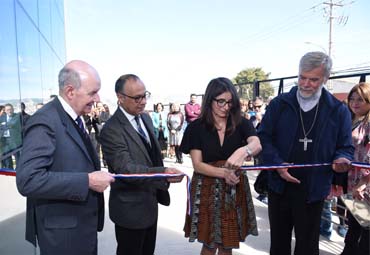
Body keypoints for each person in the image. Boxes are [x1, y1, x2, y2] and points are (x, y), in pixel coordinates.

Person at [258, 51, 354, 255]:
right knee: (279, 245)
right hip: (279, 187)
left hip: (314, 190)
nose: (306, 84)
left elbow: (345, 147)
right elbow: (263, 138)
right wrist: (276, 164)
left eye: (313, 79)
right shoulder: (279, 104)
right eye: (302, 77)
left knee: (308, 246)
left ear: (325, 78)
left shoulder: (338, 110)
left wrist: (342, 159)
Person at [15, 60, 115, 255]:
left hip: (79, 230)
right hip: (63, 238)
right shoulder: (45, 121)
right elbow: (28, 180)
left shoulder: (74, 118)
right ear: (70, 92)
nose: (98, 98)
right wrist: (87, 181)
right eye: (93, 92)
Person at [99, 74, 184, 255]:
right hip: (130, 210)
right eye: (137, 97)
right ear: (120, 98)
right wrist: (163, 173)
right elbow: (126, 168)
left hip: (149, 203)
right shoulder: (111, 130)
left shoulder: (144, 118)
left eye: (145, 95)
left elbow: (152, 154)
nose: (143, 101)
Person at [180, 77, 262, 255]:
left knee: (228, 243)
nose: (226, 107)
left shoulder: (241, 123)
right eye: (221, 101)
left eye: (230, 102)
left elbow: (257, 144)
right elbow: (198, 165)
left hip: (233, 188)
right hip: (206, 188)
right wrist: (224, 173)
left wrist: (244, 151)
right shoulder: (196, 128)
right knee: (209, 244)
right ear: (209, 100)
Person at [340, 82, 370, 255]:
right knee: (354, 224)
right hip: (352, 182)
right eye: (352, 98)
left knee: (365, 229)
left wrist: (364, 182)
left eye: (360, 99)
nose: (354, 103)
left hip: (364, 186)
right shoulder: (352, 121)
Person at [0, 103, 22, 169]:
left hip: (15, 142)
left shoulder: (17, 117)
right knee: (7, 160)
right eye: (8, 110)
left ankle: (18, 172)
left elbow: (19, 127)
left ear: (13, 109)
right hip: (5, 142)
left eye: (11, 109)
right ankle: (9, 172)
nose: (9, 111)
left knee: (18, 158)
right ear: (5, 111)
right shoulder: (1, 118)